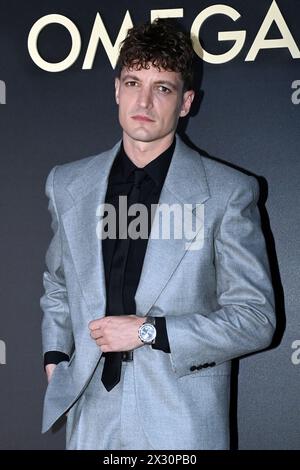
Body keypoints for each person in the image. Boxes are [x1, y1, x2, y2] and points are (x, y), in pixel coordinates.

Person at [40, 18, 276, 450]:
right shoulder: (67, 184)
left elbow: (256, 319)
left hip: (180, 416)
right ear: (116, 90)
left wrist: (150, 331)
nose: (144, 100)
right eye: (133, 82)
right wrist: (56, 357)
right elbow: (57, 283)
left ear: (186, 102)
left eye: (162, 88)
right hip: (90, 414)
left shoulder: (227, 193)